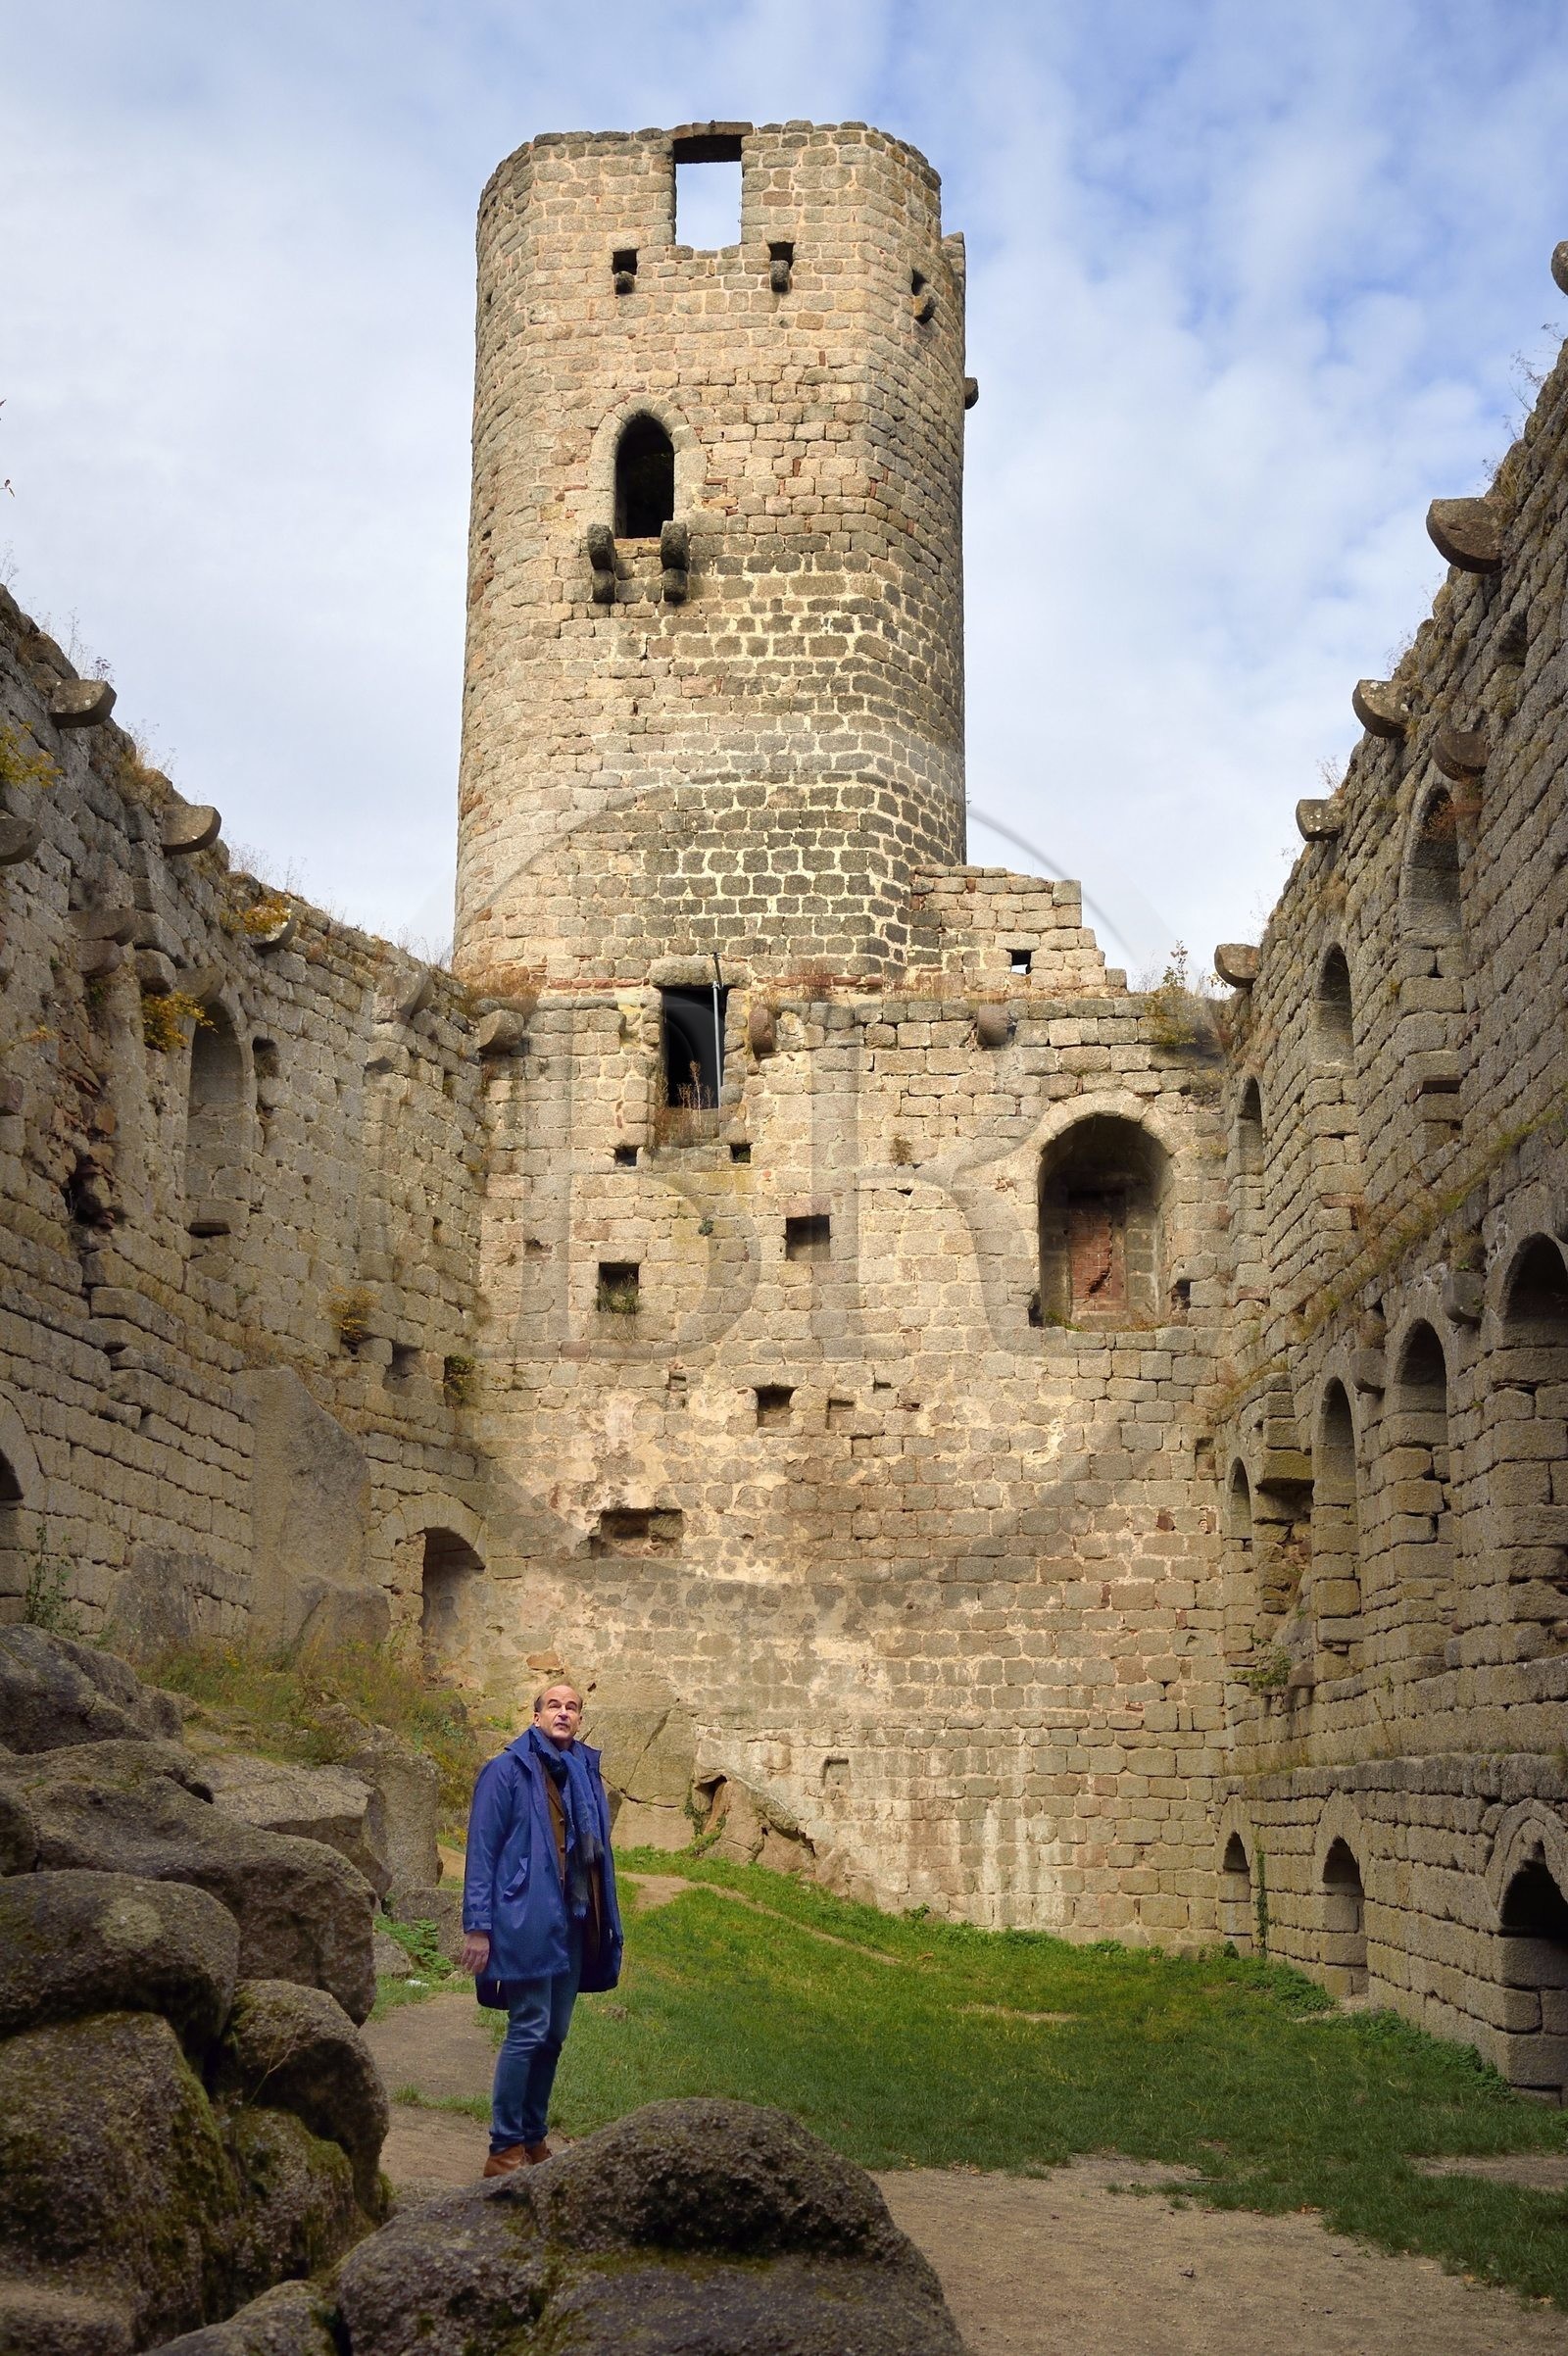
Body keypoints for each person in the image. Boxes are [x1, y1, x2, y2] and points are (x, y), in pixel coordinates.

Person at [460, 1680, 623, 2176]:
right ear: (536, 1717)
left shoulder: (586, 1775)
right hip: (525, 1918)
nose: (563, 1713)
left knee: (553, 2034)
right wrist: (478, 1926)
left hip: (574, 1922)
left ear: (580, 1720)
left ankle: (533, 2141)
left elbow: (596, 1860)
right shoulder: (507, 1771)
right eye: (554, 1705)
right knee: (528, 2028)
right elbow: (482, 1851)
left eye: (572, 1707)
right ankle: (503, 2148)